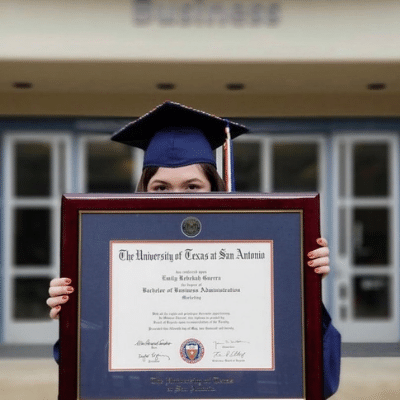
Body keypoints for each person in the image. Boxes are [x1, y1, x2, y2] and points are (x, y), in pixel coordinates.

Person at [47, 101, 339, 398]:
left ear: (215, 188)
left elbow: (321, 380)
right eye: (161, 188)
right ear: (144, 192)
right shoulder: (116, 265)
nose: (177, 200)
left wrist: (304, 286)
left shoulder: (257, 261)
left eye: (192, 187)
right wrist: (77, 315)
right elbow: (86, 378)